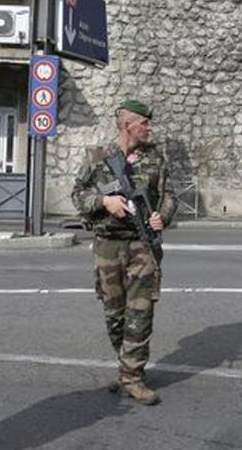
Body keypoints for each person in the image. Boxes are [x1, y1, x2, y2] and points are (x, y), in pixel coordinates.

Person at [71, 99, 177, 405]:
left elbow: (169, 196)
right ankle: (126, 367)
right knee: (114, 315)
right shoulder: (97, 157)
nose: (149, 128)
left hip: (142, 245)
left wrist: (162, 216)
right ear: (127, 125)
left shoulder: (156, 159)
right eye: (144, 123)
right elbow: (78, 195)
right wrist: (105, 203)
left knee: (140, 313)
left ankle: (133, 377)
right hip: (107, 246)